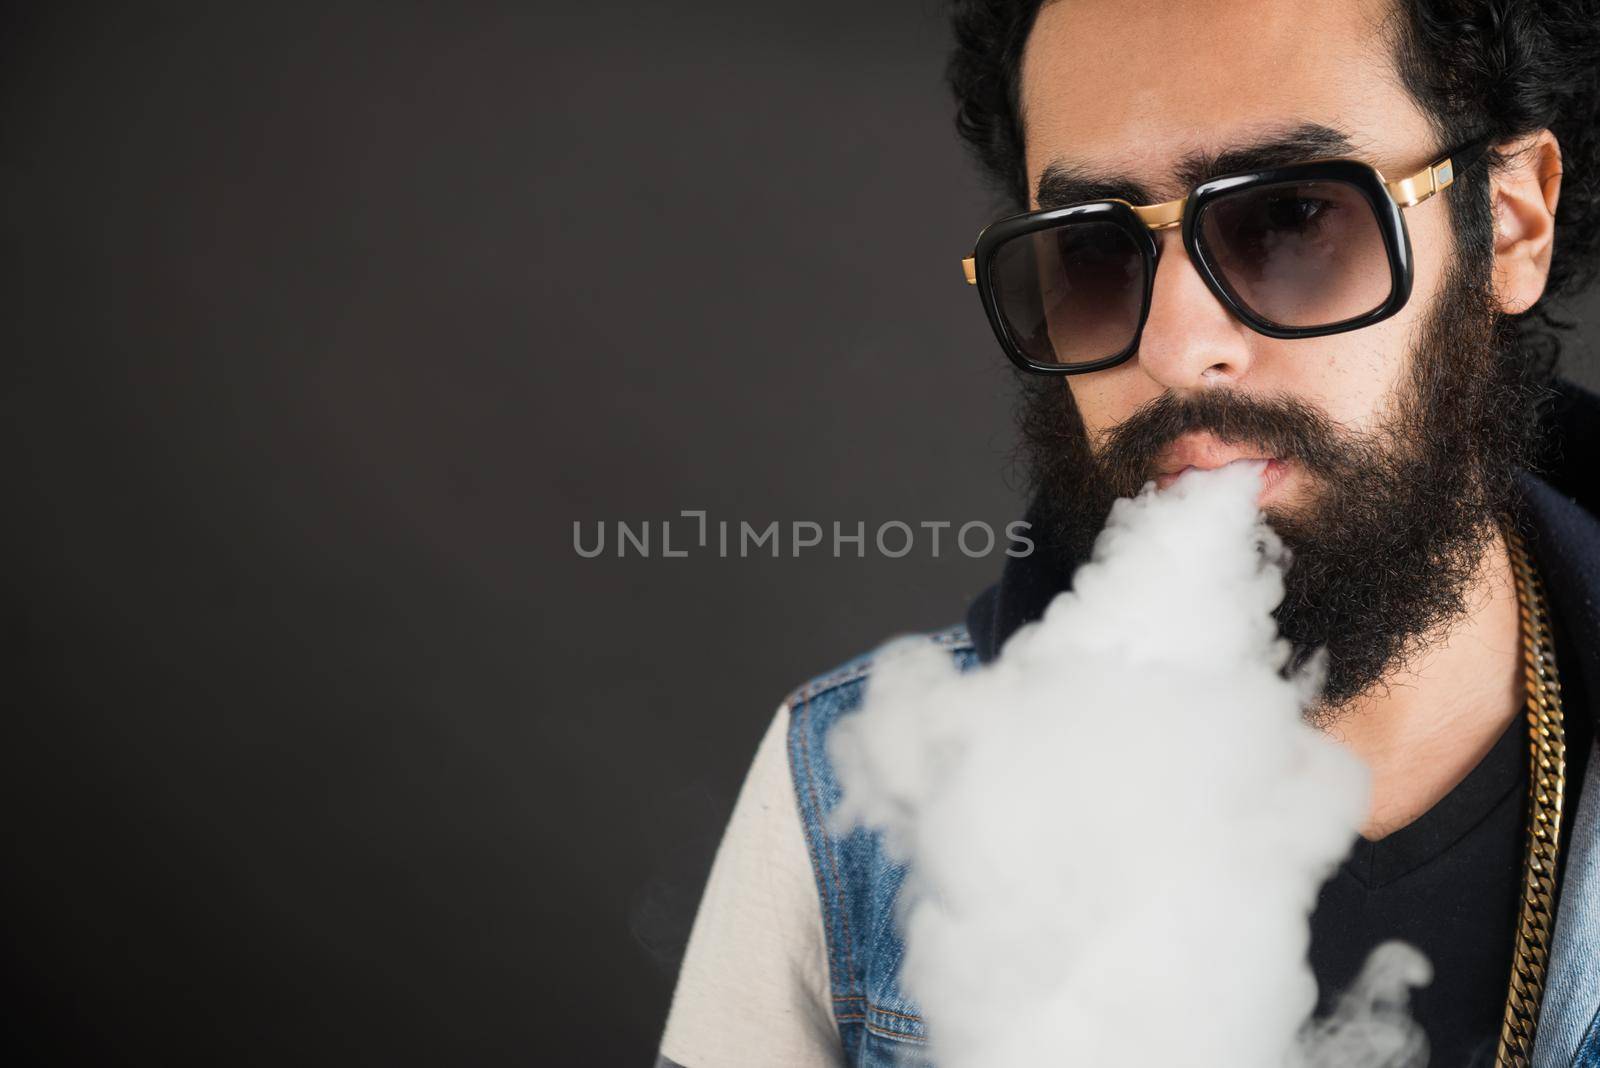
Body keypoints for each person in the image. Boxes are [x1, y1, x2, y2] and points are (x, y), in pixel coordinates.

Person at [658, 1, 1600, 1064]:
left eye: (1291, 216)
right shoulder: (848, 811)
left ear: (1511, 221)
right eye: (1095, 250)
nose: (1175, 347)